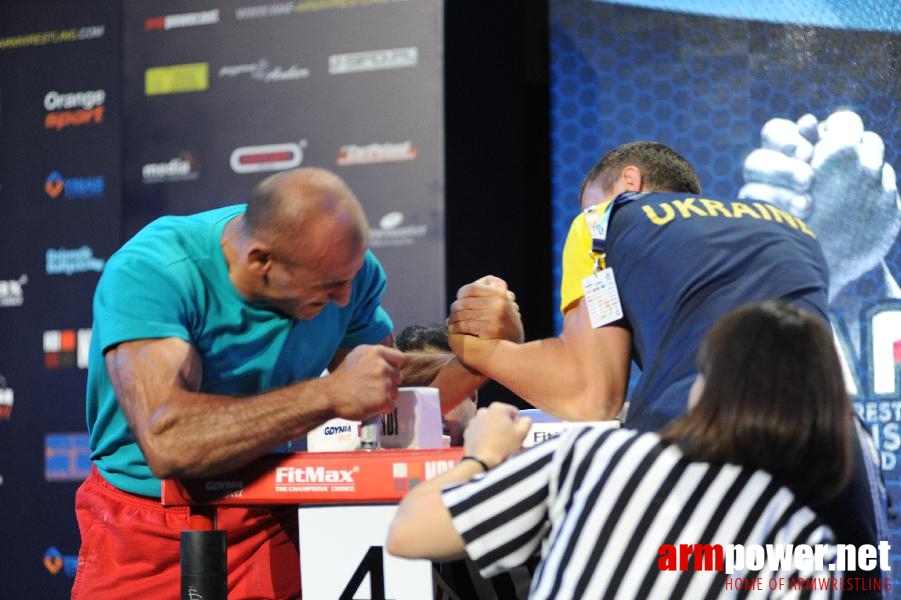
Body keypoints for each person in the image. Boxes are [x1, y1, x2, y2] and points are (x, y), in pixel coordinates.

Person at [447, 141, 888, 595]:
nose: (585, 216)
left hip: (706, 449)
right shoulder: (794, 228)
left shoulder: (604, 221)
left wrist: (478, 349)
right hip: (838, 454)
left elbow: (591, 395)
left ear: (629, 183)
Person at [71, 167, 523, 599]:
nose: (343, 300)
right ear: (260, 261)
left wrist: (484, 356)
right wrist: (329, 394)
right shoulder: (155, 273)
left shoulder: (349, 271)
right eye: (328, 287)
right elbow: (170, 443)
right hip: (145, 525)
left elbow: (390, 396)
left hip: (271, 509)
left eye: (349, 280)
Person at [389, 301, 853, 599]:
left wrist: (483, 456)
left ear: (703, 389)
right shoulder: (812, 550)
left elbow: (408, 534)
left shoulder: (601, 456)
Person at [395, 323, 477, 447]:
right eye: (412, 397)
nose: (429, 412)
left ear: (472, 395)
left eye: (438, 392)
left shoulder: (511, 457)